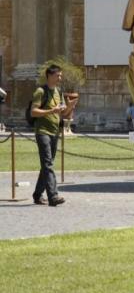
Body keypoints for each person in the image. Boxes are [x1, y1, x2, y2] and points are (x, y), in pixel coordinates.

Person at [31, 64, 78, 206]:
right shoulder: (40, 91)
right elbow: (33, 112)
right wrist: (51, 111)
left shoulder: (58, 92)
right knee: (48, 164)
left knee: (47, 165)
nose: (60, 78)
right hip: (42, 132)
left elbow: (61, 113)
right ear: (50, 76)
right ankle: (53, 197)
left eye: (60, 75)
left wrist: (69, 107)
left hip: (54, 132)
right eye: (58, 75)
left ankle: (37, 195)